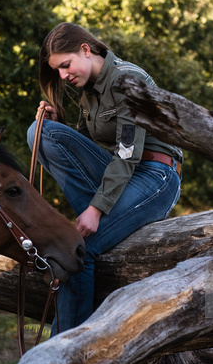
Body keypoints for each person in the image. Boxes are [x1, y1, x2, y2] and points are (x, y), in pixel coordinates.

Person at [27, 22, 183, 335]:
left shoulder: (128, 80)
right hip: (123, 174)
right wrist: (60, 125)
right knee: (40, 132)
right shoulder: (88, 93)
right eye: (58, 70)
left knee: (78, 246)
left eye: (66, 65)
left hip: (156, 177)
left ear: (86, 49)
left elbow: (126, 154)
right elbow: (82, 150)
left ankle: (65, 350)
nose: (63, 76)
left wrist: (95, 210)